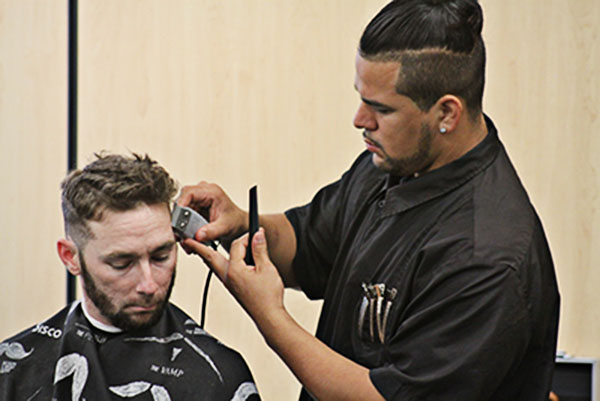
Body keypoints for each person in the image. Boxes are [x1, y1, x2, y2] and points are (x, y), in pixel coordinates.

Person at [178, 0, 560, 400]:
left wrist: (269, 316)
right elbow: (308, 242)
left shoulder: (485, 259)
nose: (360, 120)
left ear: (447, 113)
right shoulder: (393, 163)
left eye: (380, 108)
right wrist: (240, 224)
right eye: (361, 98)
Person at [0, 153, 260, 401]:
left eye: (161, 256)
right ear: (71, 257)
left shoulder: (220, 377)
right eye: (122, 263)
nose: (149, 285)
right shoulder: (12, 372)